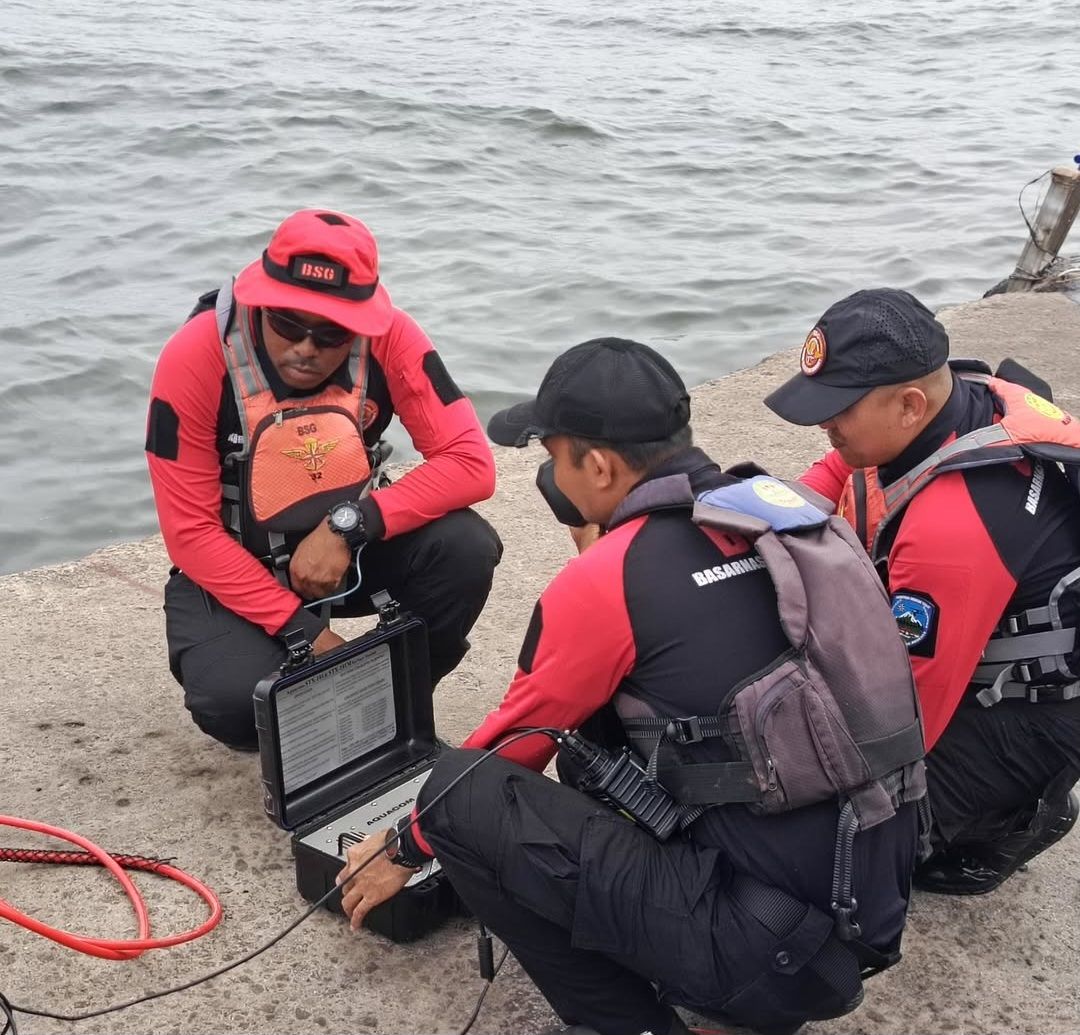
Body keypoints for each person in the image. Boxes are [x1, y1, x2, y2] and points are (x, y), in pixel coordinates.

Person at [335, 338, 924, 1035]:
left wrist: (402, 845)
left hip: (759, 959)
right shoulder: (786, 510)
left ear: (600, 464)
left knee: (452, 795)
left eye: (554, 456)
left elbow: (506, 752)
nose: (552, 477)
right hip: (863, 913)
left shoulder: (607, 581)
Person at [145, 209, 502, 751]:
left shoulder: (393, 338)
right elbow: (190, 532)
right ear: (260, 301)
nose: (306, 348)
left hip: (348, 553)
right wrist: (310, 637)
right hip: (236, 564)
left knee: (465, 547)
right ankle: (322, 709)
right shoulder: (194, 357)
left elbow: (470, 463)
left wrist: (349, 526)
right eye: (289, 323)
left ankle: (396, 707)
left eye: (332, 333)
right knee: (234, 705)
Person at [764, 287, 1080, 895]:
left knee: (826, 855)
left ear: (909, 405)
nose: (824, 424)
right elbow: (840, 471)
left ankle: (1014, 814)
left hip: (1026, 715)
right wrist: (771, 517)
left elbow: (902, 723)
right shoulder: (961, 400)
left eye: (838, 410)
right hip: (987, 634)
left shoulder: (951, 531)